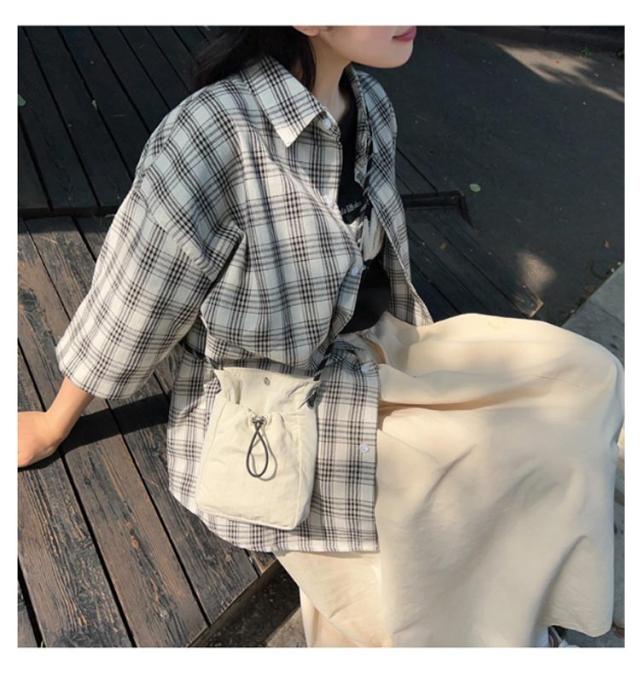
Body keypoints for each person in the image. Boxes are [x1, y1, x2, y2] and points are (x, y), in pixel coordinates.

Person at [18, 26, 624, 648]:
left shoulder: (371, 106)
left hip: (369, 349)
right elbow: (131, 302)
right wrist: (53, 424)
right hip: (266, 407)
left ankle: (543, 596)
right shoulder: (210, 136)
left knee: (586, 376)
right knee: (485, 468)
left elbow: (378, 265)